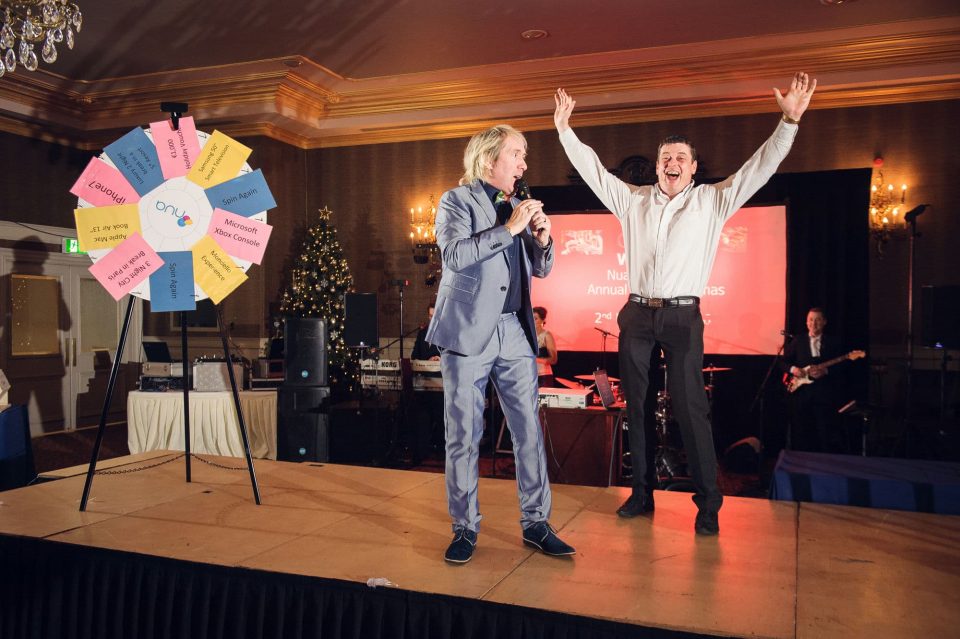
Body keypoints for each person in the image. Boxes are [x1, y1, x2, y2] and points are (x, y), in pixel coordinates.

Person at [554, 73, 817, 536]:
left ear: (693, 168)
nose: (670, 163)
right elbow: (594, 170)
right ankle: (640, 494)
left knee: (691, 406)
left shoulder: (712, 202)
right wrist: (564, 131)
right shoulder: (631, 200)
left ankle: (709, 503)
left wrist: (789, 121)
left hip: (681, 316)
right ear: (656, 167)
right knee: (633, 405)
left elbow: (760, 167)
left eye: (680, 158)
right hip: (636, 313)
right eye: (664, 158)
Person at [425, 124, 575, 564]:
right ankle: (464, 528)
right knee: (464, 435)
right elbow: (454, 256)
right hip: (468, 330)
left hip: (514, 331)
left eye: (524, 156)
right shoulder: (456, 201)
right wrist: (509, 228)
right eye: (517, 155)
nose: (525, 165)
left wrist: (542, 239)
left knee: (528, 430)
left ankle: (536, 524)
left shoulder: (519, 206)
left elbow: (540, 270)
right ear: (490, 158)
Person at [781, 307, 844, 453]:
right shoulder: (798, 341)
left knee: (824, 432)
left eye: (817, 320)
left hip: (824, 394)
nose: (813, 323)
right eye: (810, 319)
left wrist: (826, 370)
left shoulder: (833, 342)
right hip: (802, 394)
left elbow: (843, 365)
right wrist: (794, 369)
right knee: (801, 432)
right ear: (806, 322)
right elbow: (783, 362)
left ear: (824, 322)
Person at [532, 306, 558, 387]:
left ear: (542, 320)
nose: (532, 321)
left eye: (535, 319)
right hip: (528, 375)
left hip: (542, 376)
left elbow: (553, 359)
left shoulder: (546, 335)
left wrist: (534, 359)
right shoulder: (525, 335)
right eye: (531, 318)